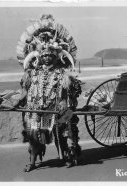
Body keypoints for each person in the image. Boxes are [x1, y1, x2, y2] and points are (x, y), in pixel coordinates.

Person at [14, 14, 81, 172]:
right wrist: (18, 101)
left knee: (64, 131)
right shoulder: (31, 74)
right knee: (33, 134)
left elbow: (68, 94)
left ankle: (67, 156)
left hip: (57, 108)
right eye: (43, 56)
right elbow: (25, 91)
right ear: (38, 57)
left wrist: (65, 106)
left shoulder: (63, 74)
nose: (47, 58)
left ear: (56, 56)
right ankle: (32, 161)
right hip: (36, 109)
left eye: (50, 55)